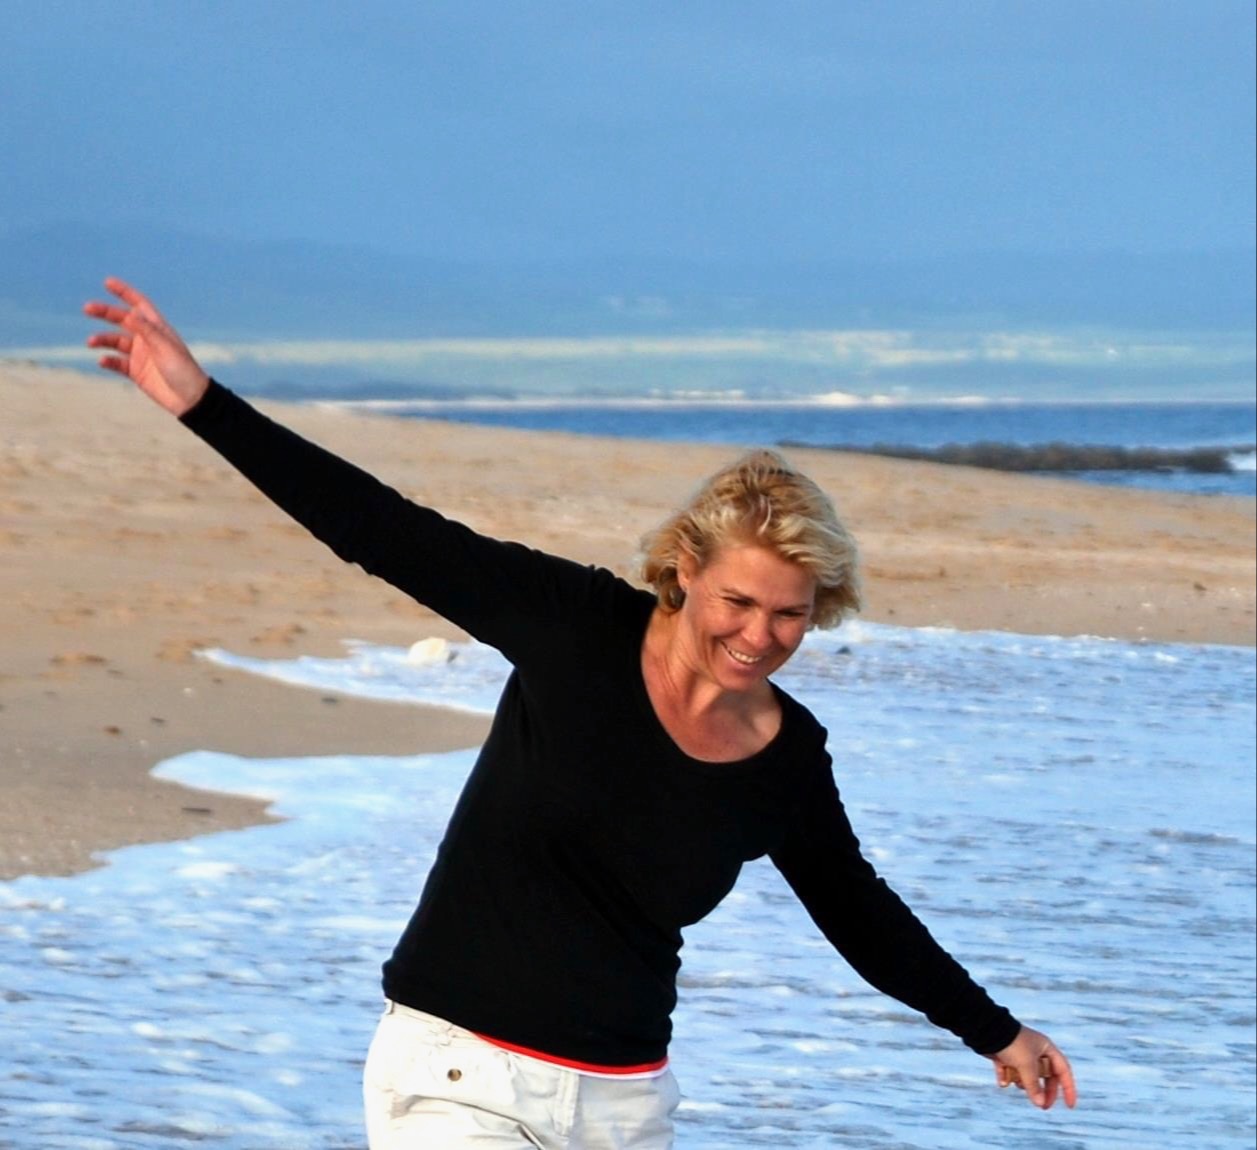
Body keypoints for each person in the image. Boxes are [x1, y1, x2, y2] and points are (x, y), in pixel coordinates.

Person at [84, 278, 1077, 1149]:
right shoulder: (576, 626)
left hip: (623, 1107)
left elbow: (857, 911)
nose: (759, 636)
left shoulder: (786, 755)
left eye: (790, 614)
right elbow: (386, 532)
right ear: (684, 570)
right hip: (457, 1074)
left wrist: (995, 1030)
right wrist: (205, 405)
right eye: (738, 602)